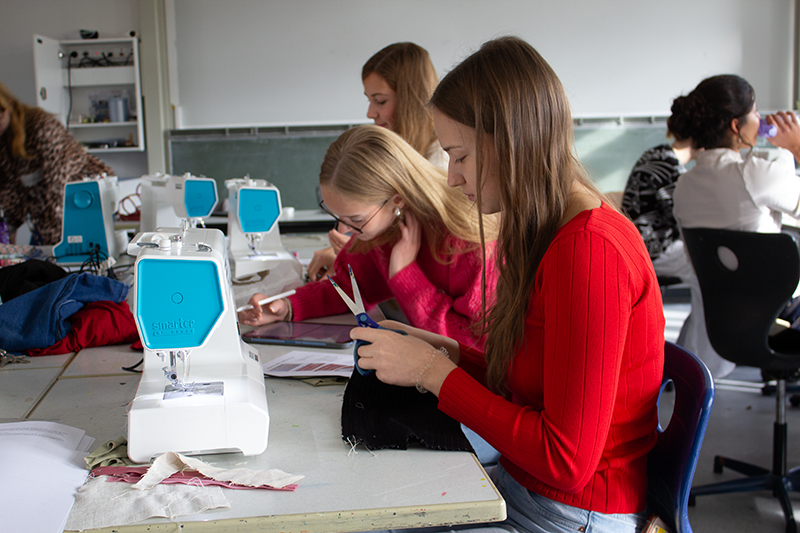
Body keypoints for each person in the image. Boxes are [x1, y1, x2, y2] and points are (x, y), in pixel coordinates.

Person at [350, 37, 664, 533]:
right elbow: (536, 386)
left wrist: (433, 372)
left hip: (571, 513)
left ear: (511, 143)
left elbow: (565, 461)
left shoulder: (589, 249)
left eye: (459, 156)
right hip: (529, 491)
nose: (452, 178)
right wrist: (449, 354)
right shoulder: (547, 229)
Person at [239, 124, 496, 349]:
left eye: (356, 219)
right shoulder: (387, 226)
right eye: (338, 216)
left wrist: (405, 274)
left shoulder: (466, 239)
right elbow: (350, 287)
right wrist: (287, 307)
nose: (345, 230)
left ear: (397, 199)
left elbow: (474, 345)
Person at [670, 75, 800, 378]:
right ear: (735, 126)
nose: (760, 118)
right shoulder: (755, 174)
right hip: (777, 321)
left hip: (721, 324)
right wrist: (795, 147)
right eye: (755, 112)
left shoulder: (684, 185)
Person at [308, 42, 447, 281]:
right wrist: (350, 254)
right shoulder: (392, 155)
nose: (370, 113)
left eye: (380, 101)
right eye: (369, 100)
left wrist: (353, 256)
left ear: (411, 102)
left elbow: (420, 261)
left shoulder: (440, 164)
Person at [0, 82, 115, 244]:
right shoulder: (3, 142)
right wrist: (10, 228)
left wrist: (57, 243)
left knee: (72, 252)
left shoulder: (42, 127)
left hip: (81, 198)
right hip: (45, 212)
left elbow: (59, 186)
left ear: (9, 107)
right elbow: (8, 189)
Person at [621, 135, 697, 284]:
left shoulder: (655, 154)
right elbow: (682, 218)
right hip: (651, 250)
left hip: (634, 246)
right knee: (703, 259)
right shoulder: (670, 167)